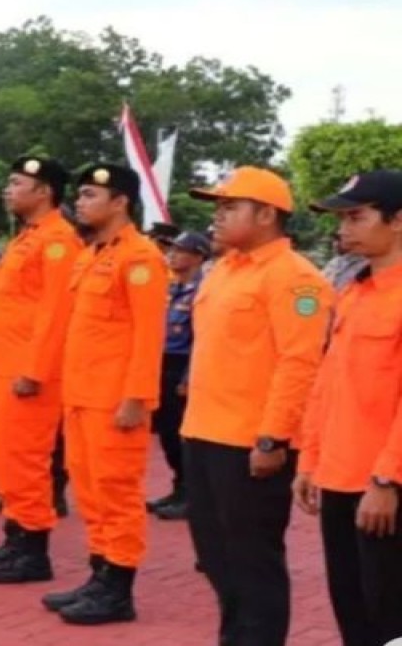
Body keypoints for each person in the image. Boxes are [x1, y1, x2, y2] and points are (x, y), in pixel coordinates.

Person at [181, 166, 330, 646]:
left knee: (253, 562)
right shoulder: (224, 269)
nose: (218, 217)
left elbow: (299, 364)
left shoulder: (296, 279)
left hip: (249, 442)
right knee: (216, 557)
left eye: (230, 207)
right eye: (218, 208)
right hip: (202, 432)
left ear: (266, 215)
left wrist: (273, 438)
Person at [44, 165, 167, 625]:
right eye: (79, 195)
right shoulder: (92, 254)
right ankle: (99, 574)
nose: (79, 202)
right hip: (81, 394)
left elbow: (148, 335)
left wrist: (136, 398)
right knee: (90, 491)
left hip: (115, 400)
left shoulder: (140, 258)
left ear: (120, 202)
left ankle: (118, 588)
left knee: (116, 492)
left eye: (90, 195)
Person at [0, 156, 82, 582]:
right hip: (2, 366)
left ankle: (33, 551)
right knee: (6, 458)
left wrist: (34, 370)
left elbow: (55, 311)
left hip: (27, 372)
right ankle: (14, 540)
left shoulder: (59, 240)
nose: (7, 190)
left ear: (44, 191)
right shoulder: (27, 238)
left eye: (16, 183)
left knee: (27, 460)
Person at [295, 170, 402, 646]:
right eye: (342, 219)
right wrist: (309, 460)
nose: (344, 229)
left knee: (389, 616)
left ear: (398, 220)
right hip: (340, 477)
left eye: (357, 217)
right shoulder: (354, 291)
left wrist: (387, 480)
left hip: (384, 486)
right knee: (352, 610)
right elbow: (327, 384)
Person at [147, 231, 210, 521]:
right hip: (161, 363)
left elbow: (201, 338)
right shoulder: (169, 287)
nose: (172, 255)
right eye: (171, 250)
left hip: (183, 366)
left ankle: (190, 494)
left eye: (180, 251)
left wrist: (187, 378)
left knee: (181, 435)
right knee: (167, 435)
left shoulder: (202, 291)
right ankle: (178, 487)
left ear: (198, 257)